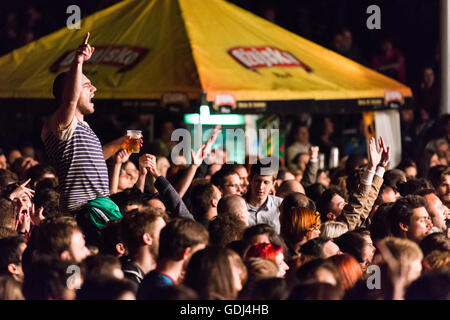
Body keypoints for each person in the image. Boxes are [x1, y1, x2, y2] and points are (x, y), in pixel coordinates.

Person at [41, 33, 125, 222]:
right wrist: (78, 62)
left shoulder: (81, 127)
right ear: (72, 89)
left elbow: (91, 157)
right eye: (87, 85)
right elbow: (69, 101)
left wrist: (120, 143)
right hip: (84, 214)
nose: (94, 89)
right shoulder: (59, 122)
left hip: (98, 209)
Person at [137, 218, 209, 300]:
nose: (200, 259)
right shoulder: (170, 293)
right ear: (186, 253)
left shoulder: (149, 279)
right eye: (198, 253)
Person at [120, 208, 167, 287]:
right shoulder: (128, 284)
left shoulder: (155, 278)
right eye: (164, 233)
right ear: (147, 239)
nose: (169, 237)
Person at [245, 159, 282, 233]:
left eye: (266, 182)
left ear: (273, 184)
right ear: (250, 180)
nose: (260, 187)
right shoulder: (237, 204)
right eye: (257, 181)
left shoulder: (281, 205)